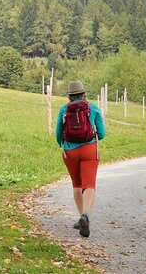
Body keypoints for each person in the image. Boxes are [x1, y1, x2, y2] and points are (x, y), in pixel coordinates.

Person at [54, 80, 105, 238]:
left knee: (77, 184)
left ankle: (81, 218)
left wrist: (65, 145)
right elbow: (102, 133)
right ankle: (86, 215)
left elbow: (58, 133)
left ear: (69, 96)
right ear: (84, 94)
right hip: (89, 149)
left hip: (70, 151)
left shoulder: (63, 110)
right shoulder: (93, 108)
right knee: (89, 185)